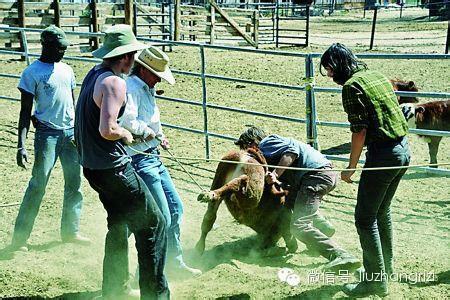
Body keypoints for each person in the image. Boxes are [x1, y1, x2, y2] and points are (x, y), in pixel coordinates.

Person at [74, 25, 169, 299]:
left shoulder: (94, 74)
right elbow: (108, 129)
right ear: (126, 56)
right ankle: (156, 295)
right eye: (134, 55)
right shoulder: (115, 82)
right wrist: (126, 133)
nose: (134, 61)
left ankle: (113, 290)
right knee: (154, 224)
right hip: (114, 168)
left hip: (94, 168)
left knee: (118, 224)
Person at [320, 43, 410, 297]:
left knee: (364, 218)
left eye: (328, 69)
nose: (329, 75)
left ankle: (374, 281)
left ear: (337, 65)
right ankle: (384, 270)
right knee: (382, 211)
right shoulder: (377, 76)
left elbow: (359, 130)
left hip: (383, 155)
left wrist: (351, 167)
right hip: (403, 151)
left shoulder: (352, 87)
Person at [120, 46, 202, 277]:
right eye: (157, 75)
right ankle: (145, 271)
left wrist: (159, 135)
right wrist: (147, 131)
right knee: (161, 217)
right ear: (145, 70)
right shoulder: (131, 89)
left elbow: (150, 118)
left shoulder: (146, 88)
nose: (158, 80)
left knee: (175, 210)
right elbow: (128, 121)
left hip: (153, 156)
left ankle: (173, 261)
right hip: (140, 158)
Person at [235, 126, 361, 273]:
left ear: (252, 144)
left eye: (245, 148)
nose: (246, 153)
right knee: (287, 205)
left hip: (314, 176)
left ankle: (339, 254)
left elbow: (292, 152)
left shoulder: (265, 144)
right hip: (318, 175)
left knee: (299, 225)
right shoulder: (272, 145)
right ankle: (322, 227)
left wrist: (275, 174)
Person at [9, 25, 88, 252]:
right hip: (47, 135)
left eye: (63, 49)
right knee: (38, 184)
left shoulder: (67, 70)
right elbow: (25, 112)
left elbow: (71, 104)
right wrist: (21, 145)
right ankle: (20, 238)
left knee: (75, 182)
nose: (62, 53)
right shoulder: (31, 73)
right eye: (58, 49)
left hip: (70, 134)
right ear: (46, 46)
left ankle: (71, 231)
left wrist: (79, 131)